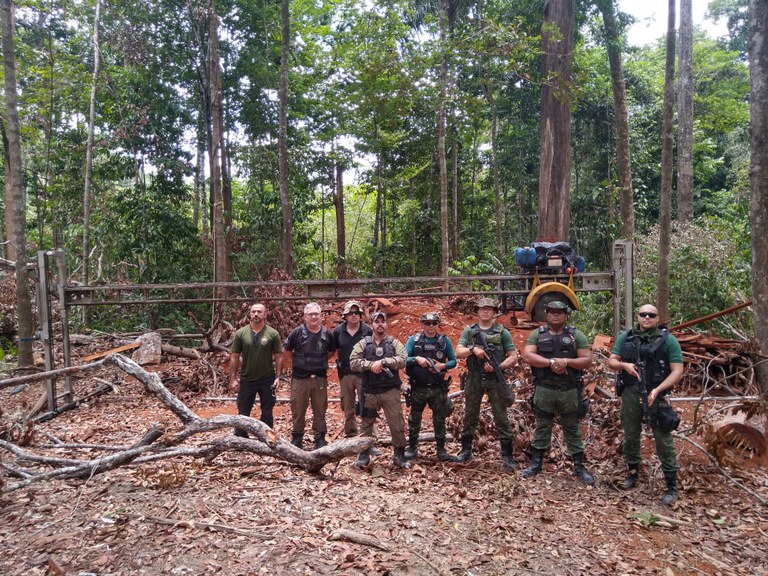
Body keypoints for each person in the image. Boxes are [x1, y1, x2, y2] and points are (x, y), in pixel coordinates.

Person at [607, 304, 684, 506]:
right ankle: (632, 473)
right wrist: (624, 365)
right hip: (631, 393)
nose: (647, 317)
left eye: (651, 315)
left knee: (663, 439)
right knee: (631, 435)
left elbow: (677, 370)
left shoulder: (668, 341)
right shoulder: (627, 337)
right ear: (638, 317)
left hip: (656, 395)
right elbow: (611, 361)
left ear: (658, 318)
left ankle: (671, 485)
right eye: (643, 314)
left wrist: (658, 390)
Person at [521, 300, 594, 484]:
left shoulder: (576, 335)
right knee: (542, 427)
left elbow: (587, 360)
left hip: (568, 390)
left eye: (559, 312)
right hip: (544, 389)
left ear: (566, 315)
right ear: (547, 314)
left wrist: (567, 362)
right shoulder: (538, 334)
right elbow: (527, 355)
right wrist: (551, 363)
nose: (555, 314)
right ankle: (536, 464)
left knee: (573, 429)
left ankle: (579, 467)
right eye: (552, 312)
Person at [454, 297, 518, 471]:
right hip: (474, 377)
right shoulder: (469, 331)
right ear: (477, 312)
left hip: (495, 379)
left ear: (494, 312)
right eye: (482, 309)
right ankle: (466, 450)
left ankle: (507, 455)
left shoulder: (502, 332)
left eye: (489, 309)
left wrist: (499, 367)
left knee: (501, 416)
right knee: (470, 414)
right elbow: (458, 352)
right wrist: (472, 349)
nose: (485, 311)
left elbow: (513, 356)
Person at [349, 311, 410, 469]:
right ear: (372, 325)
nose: (380, 324)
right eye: (377, 322)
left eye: (383, 321)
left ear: (386, 324)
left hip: (390, 391)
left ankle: (399, 455)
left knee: (397, 424)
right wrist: (370, 365)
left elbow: (403, 359)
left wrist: (384, 362)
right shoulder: (363, 343)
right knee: (366, 425)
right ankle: (363, 455)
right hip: (370, 392)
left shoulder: (394, 343)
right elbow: (353, 362)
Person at [404, 312, 457, 462]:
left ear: (438, 324)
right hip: (418, 387)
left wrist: (442, 366)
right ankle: (412, 448)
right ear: (422, 324)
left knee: (439, 419)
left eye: (434, 323)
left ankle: (441, 449)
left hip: (437, 388)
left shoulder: (444, 342)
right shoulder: (414, 341)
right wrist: (416, 359)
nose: (431, 326)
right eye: (427, 323)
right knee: (414, 419)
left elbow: (453, 361)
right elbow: (403, 358)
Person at [283, 302, 337, 450]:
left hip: (319, 379)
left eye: (316, 314)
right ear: (305, 316)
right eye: (310, 314)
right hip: (300, 378)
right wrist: (296, 364)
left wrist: (320, 361)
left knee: (320, 410)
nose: (313, 317)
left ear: (321, 316)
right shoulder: (297, 333)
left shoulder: (327, 334)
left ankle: (320, 439)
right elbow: (287, 350)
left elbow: (332, 351)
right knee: (298, 409)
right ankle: (297, 438)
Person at [229, 303, 284, 437]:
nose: (256, 314)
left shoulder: (272, 334)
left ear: (265, 314)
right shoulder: (241, 333)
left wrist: (278, 377)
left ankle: (266, 438)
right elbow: (234, 356)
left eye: (259, 312)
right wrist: (233, 379)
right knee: (243, 411)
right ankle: (241, 438)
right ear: (249, 314)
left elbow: (279, 357)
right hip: (247, 379)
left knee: (267, 412)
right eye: (253, 312)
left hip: (267, 379)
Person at [332, 300, 373, 438]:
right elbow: (336, 350)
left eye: (356, 313)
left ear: (360, 315)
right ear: (345, 316)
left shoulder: (367, 330)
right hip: (345, 374)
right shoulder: (338, 331)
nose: (353, 315)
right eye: (350, 313)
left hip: (363, 373)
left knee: (366, 404)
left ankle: (368, 435)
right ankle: (350, 434)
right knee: (347, 405)